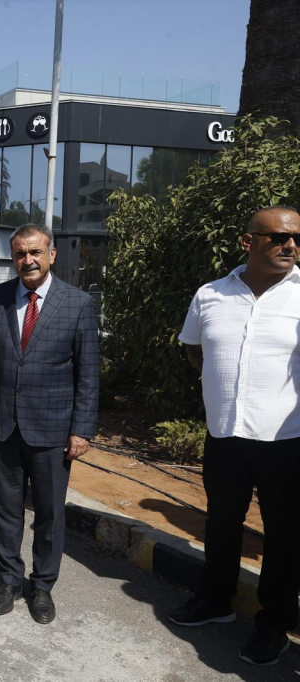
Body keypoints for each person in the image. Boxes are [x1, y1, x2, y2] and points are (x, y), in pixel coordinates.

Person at [168, 205, 300, 666]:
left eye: (295, 238)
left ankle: (274, 625)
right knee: (221, 523)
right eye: (278, 237)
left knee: (284, 535)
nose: (290, 245)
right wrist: (225, 391)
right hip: (224, 434)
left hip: (286, 440)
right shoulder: (211, 294)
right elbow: (194, 349)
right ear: (248, 242)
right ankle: (215, 602)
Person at [0, 223, 99, 625]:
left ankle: (42, 585)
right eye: (19, 254)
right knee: (6, 509)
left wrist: (82, 429)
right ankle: (10, 581)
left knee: (48, 513)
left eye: (34, 252)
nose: (26, 260)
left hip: (53, 429)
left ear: (51, 255)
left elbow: (88, 373)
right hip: (6, 425)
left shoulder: (78, 303)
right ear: (12, 257)